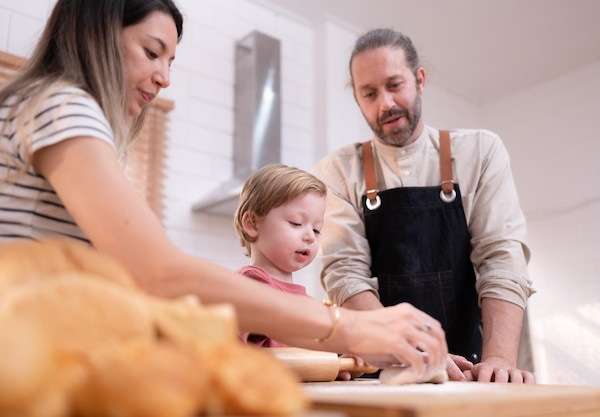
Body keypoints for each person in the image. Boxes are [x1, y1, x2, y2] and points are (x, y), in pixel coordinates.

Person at [0, 1, 447, 379]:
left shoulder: (47, 108)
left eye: (170, 61)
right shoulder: (61, 105)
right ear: (94, 32)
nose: (164, 77)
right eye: (152, 52)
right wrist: (348, 327)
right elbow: (160, 273)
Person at [312, 28, 536, 383]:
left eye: (394, 85)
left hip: (472, 369)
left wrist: (499, 358)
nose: (384, 103)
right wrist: (412, 351)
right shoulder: (336, 171)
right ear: (357, 99)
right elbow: (345, 274)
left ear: (419, 80)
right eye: (369, 93)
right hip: (384, 370)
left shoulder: (480, 152)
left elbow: (501, 257)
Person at [234, 163, 368, 380]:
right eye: (296, 223)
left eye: (316, 229)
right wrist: (340, 337)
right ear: (252, 223)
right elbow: (278, 324)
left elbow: (305, 357)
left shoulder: (305, 300)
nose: (310, 236)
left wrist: (338, 363)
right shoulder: (250, 285)